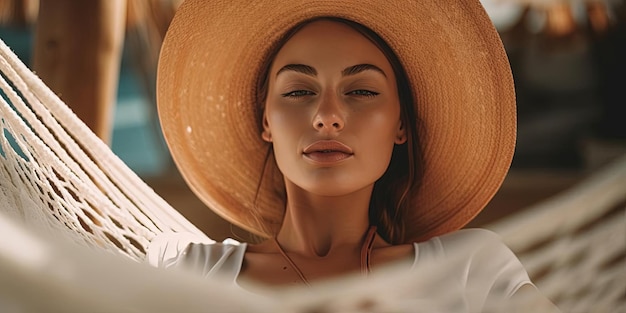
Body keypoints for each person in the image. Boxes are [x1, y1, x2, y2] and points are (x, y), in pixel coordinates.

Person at [148, 0, 560, 311]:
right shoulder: (181, 267)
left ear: (401, 125)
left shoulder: (471, 270)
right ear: (266, 122)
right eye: (298, 91)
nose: (327, 116)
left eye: (361, 91)